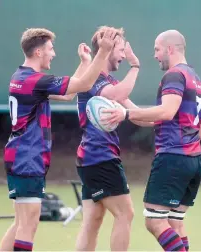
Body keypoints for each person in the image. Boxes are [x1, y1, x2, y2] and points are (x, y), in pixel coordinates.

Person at [0, 27, 116, 252]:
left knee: (20, 223)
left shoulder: (21, 77)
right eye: (51, 49)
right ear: (38, 52)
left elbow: (68, 93)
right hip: (28, 159)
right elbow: (83, 86)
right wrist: (102, 53)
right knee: (28, 225)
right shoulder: (36, 81)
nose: (53, 54)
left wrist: (84, 62)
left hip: (20, 156)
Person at [103, 29, 201, 251]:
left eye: (157, 50)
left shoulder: (174, 75)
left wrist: (126, 115)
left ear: (170, 49)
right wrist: (127, 105)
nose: (155, 55)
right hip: (194, 159)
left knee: (154, 221)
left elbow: (166, 112)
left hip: (173, 158)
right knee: (174, 221)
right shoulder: (197, 80)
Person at [75, 26, 151, 251]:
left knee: (92, 220)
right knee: (125, 213)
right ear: (106, 49)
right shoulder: (95, 77)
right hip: (99, 157)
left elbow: (137, 115)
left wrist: (166, 117)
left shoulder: (107, 81)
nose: (123, 55)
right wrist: (135, 66)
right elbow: (118, 96)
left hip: (90, 158)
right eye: (120, 49)